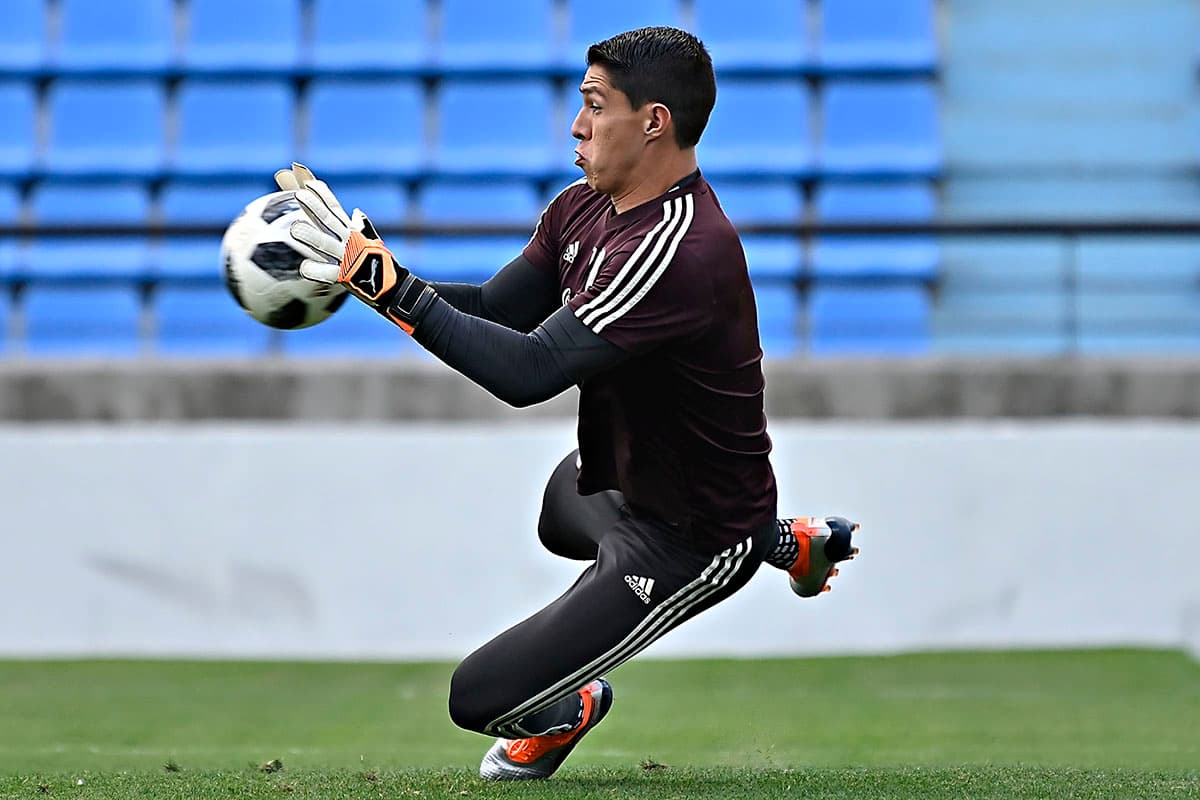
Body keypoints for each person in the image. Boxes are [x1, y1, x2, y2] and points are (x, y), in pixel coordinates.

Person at [276, 26, 858, 781]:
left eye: (594, 105)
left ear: (654, 122)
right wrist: (373, 281)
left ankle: (569, 708)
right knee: (558, 508)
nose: (577, 125)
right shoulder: (583, 208)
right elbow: (496, 308)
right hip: (625, 483)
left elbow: (528, 372)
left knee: (477, 696)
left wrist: (395, 290)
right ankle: (787, 539)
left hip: (689, 537)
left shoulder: (680, 248)